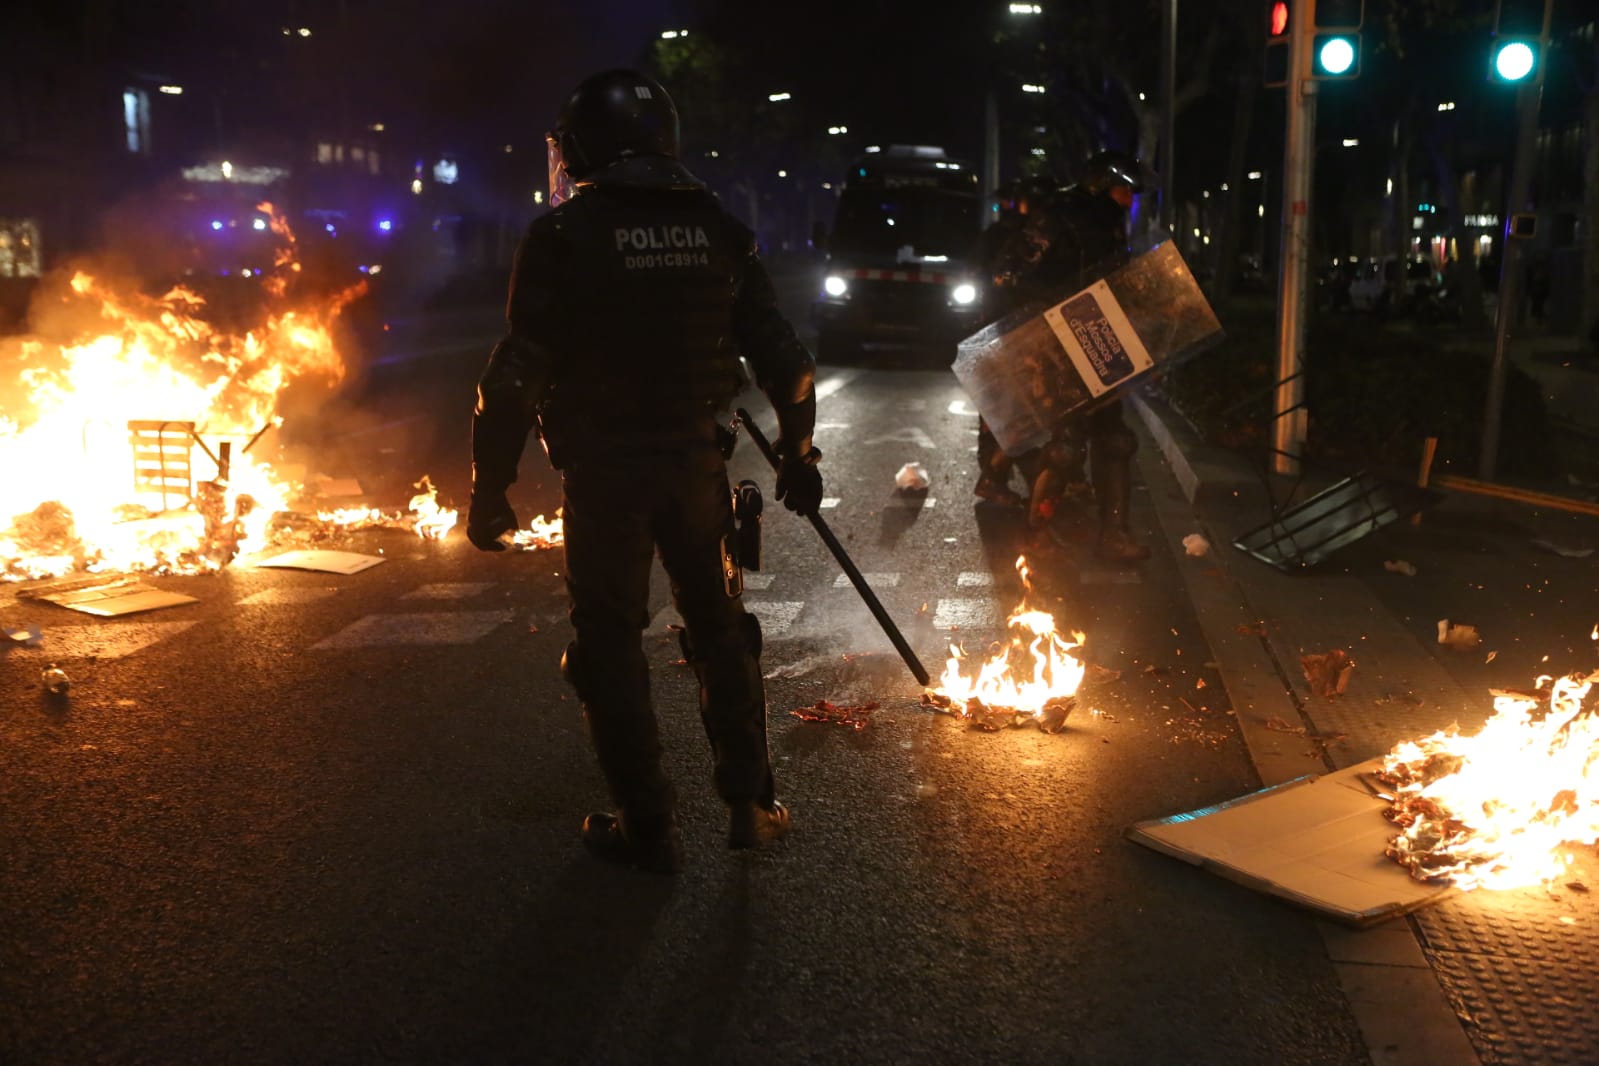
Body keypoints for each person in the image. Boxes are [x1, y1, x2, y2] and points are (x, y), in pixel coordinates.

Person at [466, 69, 823, 875]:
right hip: (696, 469)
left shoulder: (564, 237)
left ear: (585, 144)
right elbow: (788, 368)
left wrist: (490, 492)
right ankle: (748, 803)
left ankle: (647, 821)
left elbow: (515, 377)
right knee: (722, 634)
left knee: (608, 646)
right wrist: (800, 459)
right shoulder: (721, 232)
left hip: (605, 478)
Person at [973, 151, 1152, 564]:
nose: (1129, 199)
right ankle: (1037, 535)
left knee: (1117, 440)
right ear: (1100, 185)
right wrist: (1056, 306)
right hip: (1053, 337)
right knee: (1065, 446)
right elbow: (1006, 274)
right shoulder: (1056, 217)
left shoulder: (1111, 223)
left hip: (1098, 334)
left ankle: (1115, 534)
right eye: (1123, 189)